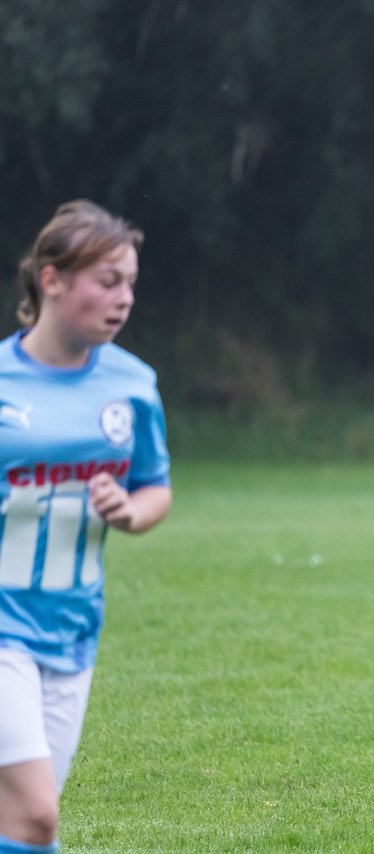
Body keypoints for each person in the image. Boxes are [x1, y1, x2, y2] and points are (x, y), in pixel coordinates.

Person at [0, 200, 172, 853]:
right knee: (39, 814)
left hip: (72, 630)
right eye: (107, 281)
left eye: (130, 282)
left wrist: (131, 513)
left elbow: (155, 486)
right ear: (50, 279)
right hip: (1, 626)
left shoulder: (133, 385)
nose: (123, 299)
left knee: (21, 825)